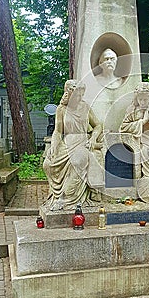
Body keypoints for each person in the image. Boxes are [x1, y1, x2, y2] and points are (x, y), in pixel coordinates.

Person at [43, 80, 103, 210]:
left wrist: (93, 138)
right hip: (68, 142)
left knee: (78, 161)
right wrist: (54, 145)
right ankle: (56, 195)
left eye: (81, 94)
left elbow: (98, 125)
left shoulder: (85, 107)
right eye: (77, 95)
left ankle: (66, 198)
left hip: (82, 141)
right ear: (68, 94)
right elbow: (58, 131)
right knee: (48, 163)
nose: (79, 98)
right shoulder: (61, 109)